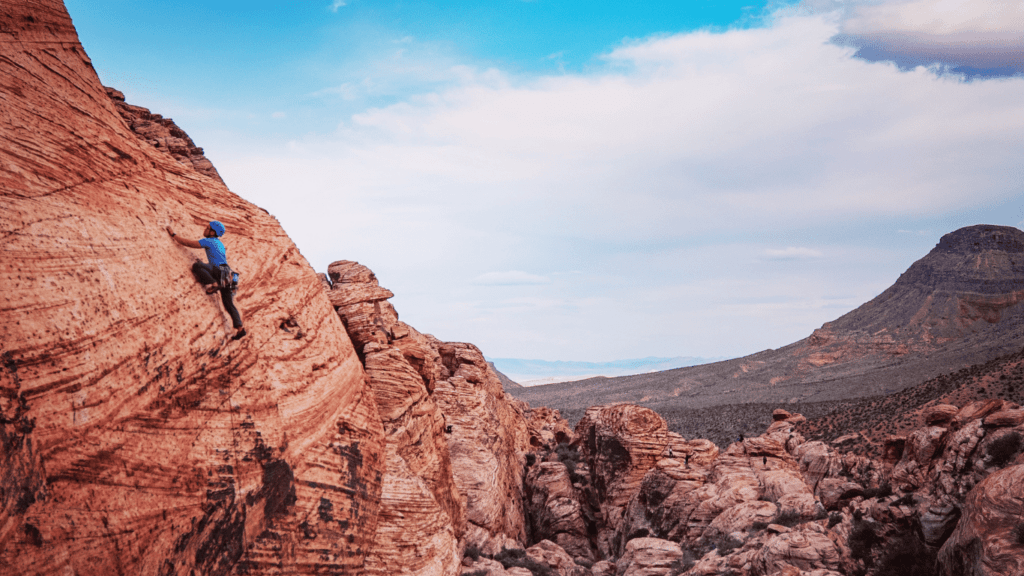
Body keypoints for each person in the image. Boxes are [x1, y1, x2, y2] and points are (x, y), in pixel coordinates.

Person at [167, 220, 246, 340]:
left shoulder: (209, 241)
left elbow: (188, 243)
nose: (205, 229)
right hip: (228, 272)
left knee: (197, 266)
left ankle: (215, 284)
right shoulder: (220, 244)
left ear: (212, 232)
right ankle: (240, 328)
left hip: (218, 270)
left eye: (207, 228)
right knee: (229, 304)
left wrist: (173, 235)